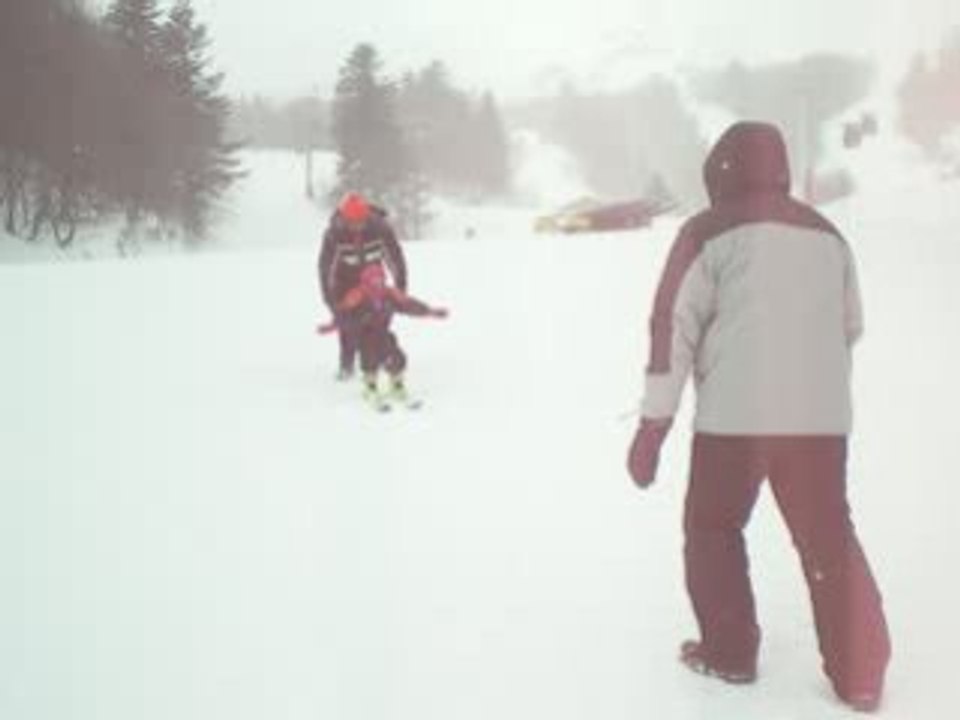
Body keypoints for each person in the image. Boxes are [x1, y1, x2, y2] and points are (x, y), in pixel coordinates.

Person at [626, 121, 891, 713]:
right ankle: (862, 673)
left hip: (734, 423)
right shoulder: (828, 234)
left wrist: (654, 425)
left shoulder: (706, 231)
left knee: (714, 529)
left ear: (720, 171)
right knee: (827, 538)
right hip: (820, 423)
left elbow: (673, 327)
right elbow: (850, 325)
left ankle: (729, 652)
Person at [317, 264, 447, 408]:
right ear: (365, 282)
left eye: (380, 280)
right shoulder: (357, 296)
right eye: (373, 281)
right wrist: (332, 326)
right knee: (370, 356)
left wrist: (430, 311)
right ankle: (370, 386)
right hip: (363, 334)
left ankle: (396, 384)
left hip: (382, 332)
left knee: (395, 354)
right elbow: (344, 313)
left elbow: (408, 304)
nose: (377, 284)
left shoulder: (389, 294)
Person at [318, 192, 407, 380]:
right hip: (345, 284)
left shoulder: (381, 229)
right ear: (344, 218)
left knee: (380, 319)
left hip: (374, 282)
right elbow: (326, 269)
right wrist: (332, 302)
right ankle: (347, 362)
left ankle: (382, 358)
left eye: (361, 221)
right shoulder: (334, 234)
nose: (357, 226)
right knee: (348, 325)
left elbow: (395, 259)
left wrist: (400, 289)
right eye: (352, 222)